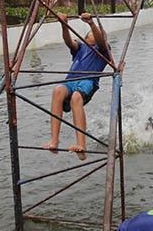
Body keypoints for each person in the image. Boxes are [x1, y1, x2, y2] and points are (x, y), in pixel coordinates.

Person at [42, 12, 110, 159]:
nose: (97, 34)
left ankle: (81, 145)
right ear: (86, 38)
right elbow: (68, 41)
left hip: (88, 81)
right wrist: (64, 24)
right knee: (57, 90)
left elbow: (101, 40)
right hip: (71, 81)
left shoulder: (103, 50)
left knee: (76, 97)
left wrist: (92, 23)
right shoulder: (80, 47)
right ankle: (54, 140)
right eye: (93, 32)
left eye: (98, 32)